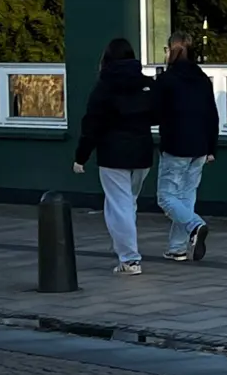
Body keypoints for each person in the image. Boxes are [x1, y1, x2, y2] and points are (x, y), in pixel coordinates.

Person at [72, 37, 156, 276]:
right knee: (129, 204)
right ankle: (126, 249)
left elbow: (91, 125)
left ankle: (129, 259)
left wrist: (81, 157)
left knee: (119, 206)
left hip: (113, 155)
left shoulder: (104, 86)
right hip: (142, 153)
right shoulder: (146, 84)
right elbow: (157, 114)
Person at [154, 30, 217, 262]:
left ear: (171, 50)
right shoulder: (202, 78)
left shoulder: (167, 80)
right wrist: (212, 147)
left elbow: (155, 113)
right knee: (186, 198)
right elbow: (212, 115)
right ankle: (177, 247)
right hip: (200, 146)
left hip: (176, 145)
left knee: (166, 197)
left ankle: (195, 226)